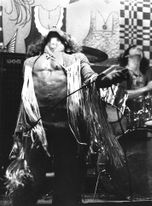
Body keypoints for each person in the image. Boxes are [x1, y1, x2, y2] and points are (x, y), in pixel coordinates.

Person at [5, 29, 128, 206]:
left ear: (67, 44)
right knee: (28, 181)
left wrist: (107, 78)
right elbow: (26, 97)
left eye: (59, 39)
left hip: (67, 129)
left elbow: (92, 79)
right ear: (43, 44)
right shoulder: (30, 63)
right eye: (49, 40)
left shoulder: (77, 59)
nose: (54, 41)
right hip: (37, 129)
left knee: (67, 187)